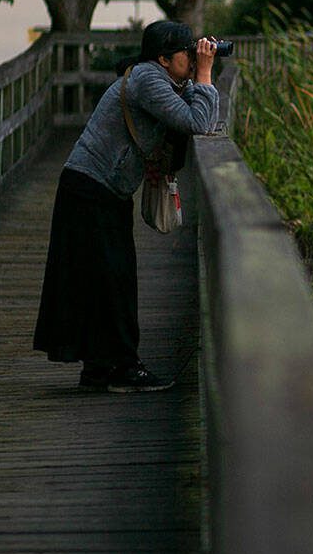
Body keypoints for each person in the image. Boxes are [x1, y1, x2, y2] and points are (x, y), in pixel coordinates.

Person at [33, 20, 219, 392]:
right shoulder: (148, 80)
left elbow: (189, 118)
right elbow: (200, 122)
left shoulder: (158, 79)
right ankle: (124, 368)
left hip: (99, 190)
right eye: (189, 51)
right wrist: (206, 73)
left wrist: (201, 73)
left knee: (105, 281)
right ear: (165, 59)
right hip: (90, 188)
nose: (195, 55)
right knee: (112, 281)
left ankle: (100, 369)